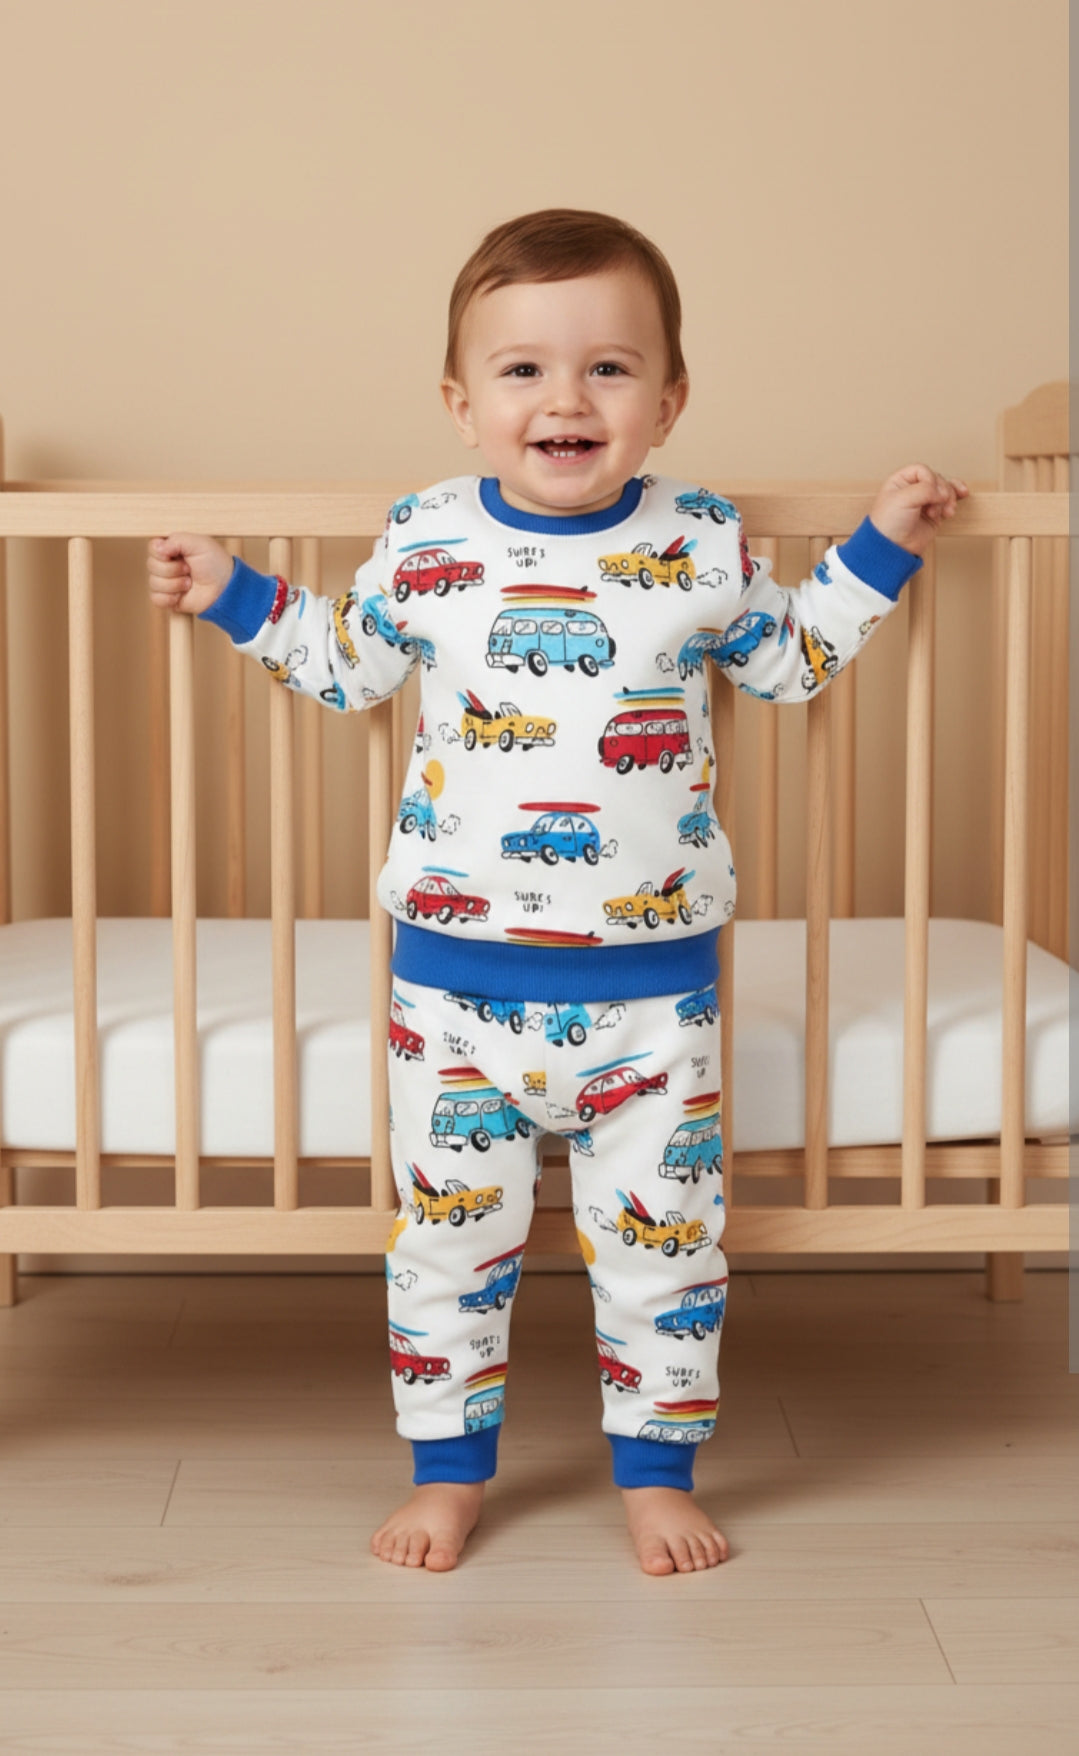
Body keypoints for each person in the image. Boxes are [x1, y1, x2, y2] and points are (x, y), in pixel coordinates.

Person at [146, 207, 967, 1576]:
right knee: (447, 1247)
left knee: (668, 1250)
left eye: (608, 367)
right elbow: (348, 668)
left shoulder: (705, 543)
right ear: (464, 406)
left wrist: (884, 539)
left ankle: (656, 1473)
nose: (566, 398)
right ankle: (450, 1472)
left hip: (655, 987)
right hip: (453, 989)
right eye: (523, 370)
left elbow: (792, 664)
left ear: (668, 399)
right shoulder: (423, 538)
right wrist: (238, 594)